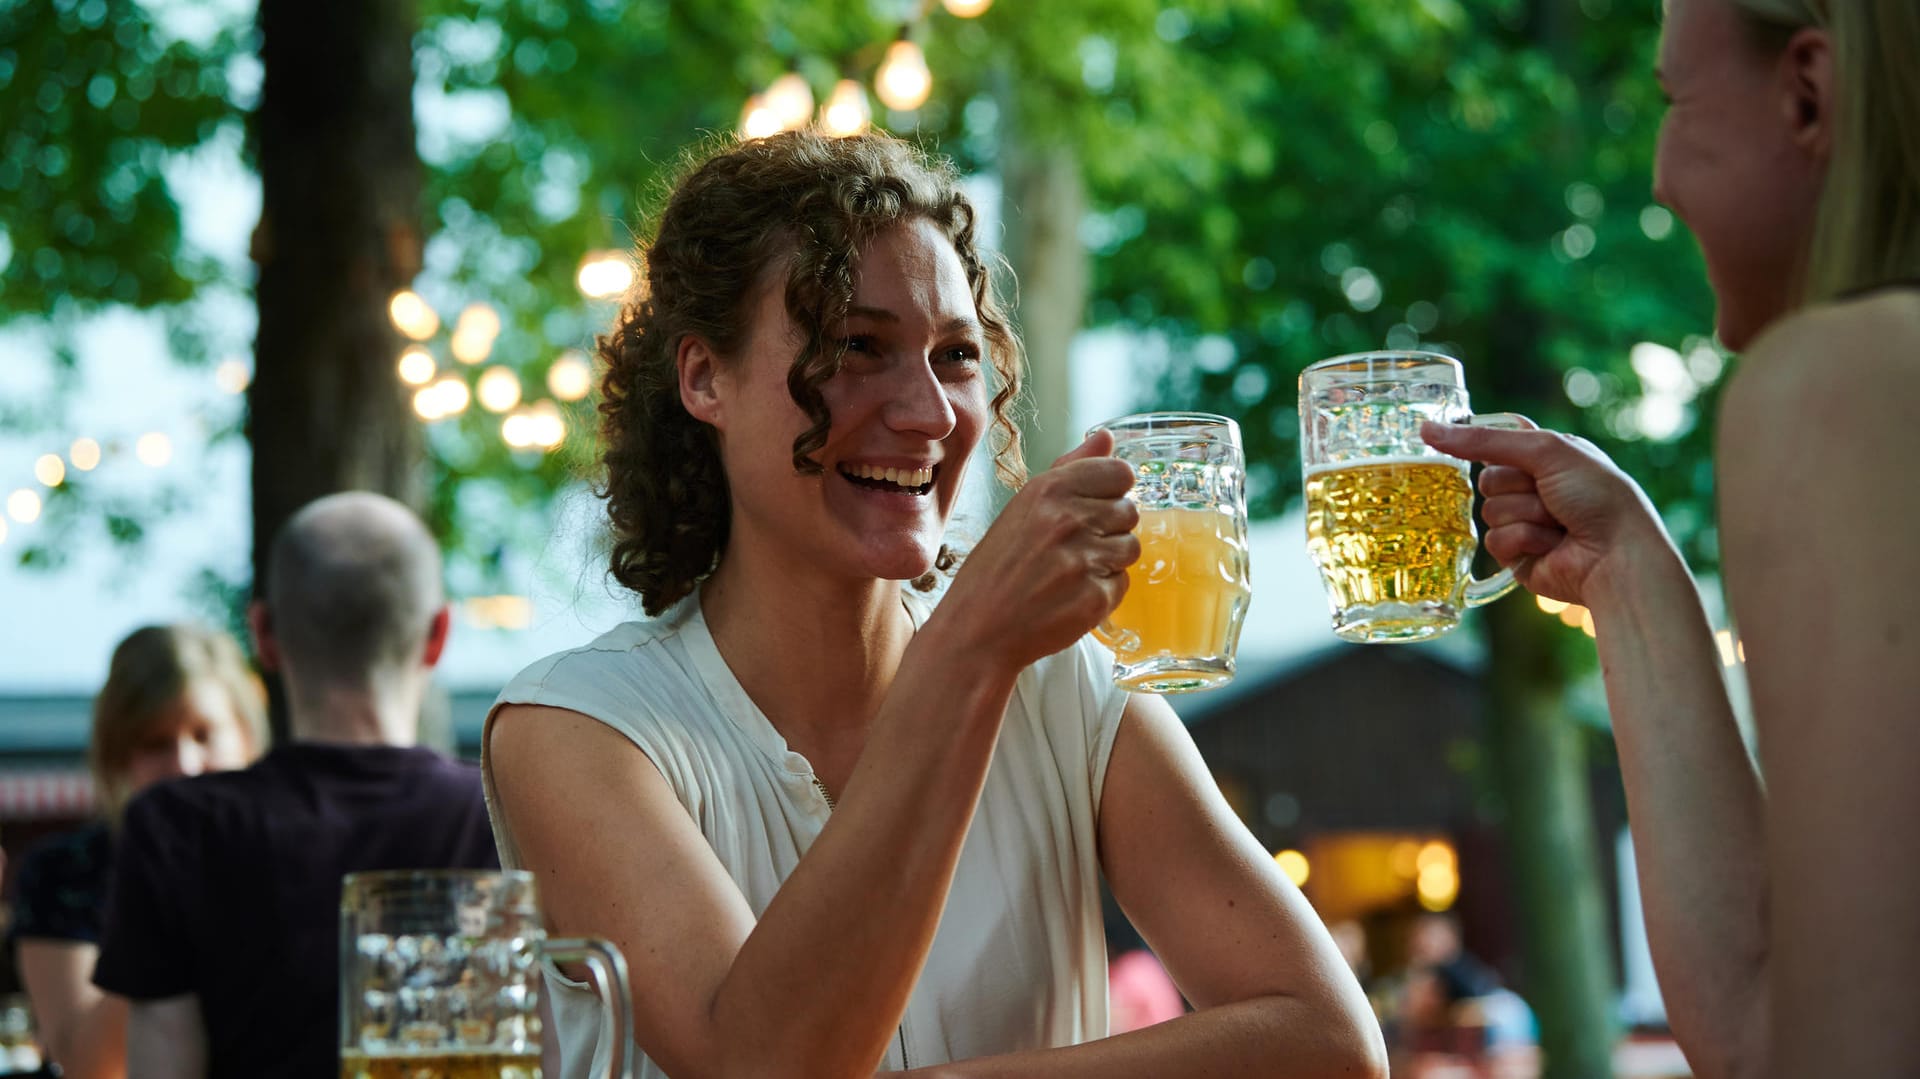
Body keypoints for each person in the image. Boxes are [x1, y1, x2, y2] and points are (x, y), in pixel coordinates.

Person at [484, 130, 1385, 1079]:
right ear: (705, 378)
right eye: (856, 347)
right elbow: (757, 1063)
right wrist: (967, 648)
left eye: (955, 355)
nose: (927, 412)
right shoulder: (577, 727)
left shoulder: (1066, 688)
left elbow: (1330, 1043)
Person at [1419, 0, 1920, 1074]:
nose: (1657, 174)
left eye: (1676, 101)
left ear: (1808, 93)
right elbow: (1756, 1013)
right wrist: (1628, 568)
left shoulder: (1850, 381)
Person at [91, 492, 499, 1078]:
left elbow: (164, 1060)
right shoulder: (499, 810)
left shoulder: (176, 825)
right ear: (438, 635)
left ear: (263, 634)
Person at [9, 624, 265, 1079]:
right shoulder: (64, 871)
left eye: (204, 734)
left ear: (246, 736)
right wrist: (164, 898)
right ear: (118, 755)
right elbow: (86, 1064)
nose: (184, 765)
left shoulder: (287, 853)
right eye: (156, 743)